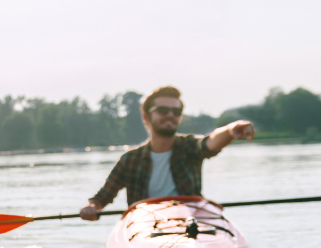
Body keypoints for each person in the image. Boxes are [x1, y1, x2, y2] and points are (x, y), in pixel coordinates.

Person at [80, 86, 256, 220]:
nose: (170, 115)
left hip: (189, 222)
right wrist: (91, 207)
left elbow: (210, 142)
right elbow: (101, 198)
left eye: (176, 111)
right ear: (146, 117)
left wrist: (231, 130)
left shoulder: (189, 147)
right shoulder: (129, 160)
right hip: (146, 226)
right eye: (163, 111)